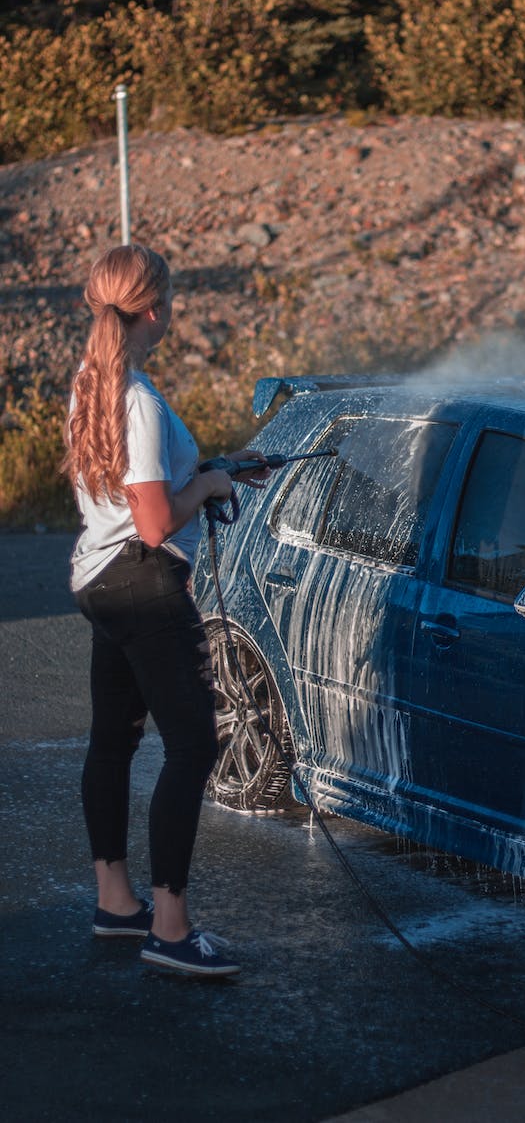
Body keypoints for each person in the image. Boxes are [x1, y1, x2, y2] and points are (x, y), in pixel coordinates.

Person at [63, 243, 270, 978]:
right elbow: (153, 522)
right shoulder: (139, 398)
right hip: (144, 583)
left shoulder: (92, 380)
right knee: (191, 746)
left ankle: (117, 904)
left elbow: (126, 493)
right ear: (156, 308)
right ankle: (171, 927)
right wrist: (209, 490)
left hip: (99, 581)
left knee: (112, 741)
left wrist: (212, 470)